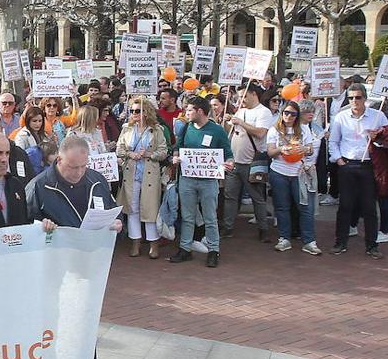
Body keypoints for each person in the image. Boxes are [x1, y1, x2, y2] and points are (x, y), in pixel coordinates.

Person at [25, 135, 124, 359]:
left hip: (89, 265)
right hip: (54, 269)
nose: (78, 173)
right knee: (52, 325)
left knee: (86, 320)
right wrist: (40, 226)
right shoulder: (40, 186)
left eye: (83, 167)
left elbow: (113, 211)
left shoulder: (96, 180)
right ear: (59, 159)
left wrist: (116, 223)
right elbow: (24, 226)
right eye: (72, 167)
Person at [169, 96, 234, 267]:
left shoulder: (217, 130)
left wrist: (229, 163)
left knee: (210, 217)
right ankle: (185, 248)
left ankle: (214, 250)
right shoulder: (185, 128)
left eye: (189, 110)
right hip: (187, 179)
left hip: (208, 181)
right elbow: (177, 147)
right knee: (188, 216)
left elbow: (228, 153)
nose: (186, 113)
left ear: (199, 111)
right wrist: (175, 157)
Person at [327, 83, 388, 258]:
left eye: (358, 97)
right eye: (351, 97)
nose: (354, 101)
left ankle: (372, 245)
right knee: (345, 206)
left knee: (369, 207)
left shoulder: (378, 116)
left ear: (365, 98)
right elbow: (333, 141)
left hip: (369, 166)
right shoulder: (341, 117)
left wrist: (377, 138)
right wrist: (339, 160)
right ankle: (340, 242)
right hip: (347, 164)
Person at [116, 97, 169, 258]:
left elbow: (163, 151)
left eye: (137, 111)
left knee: (150, 207)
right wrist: (130, 154)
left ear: (146, 112)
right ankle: (135, 242)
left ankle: (153, 243)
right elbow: (119, 148)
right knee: (132, 209)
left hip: (149, 174)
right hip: (131, 173)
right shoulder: (126, 129)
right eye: (132, 111)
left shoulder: (156, 130)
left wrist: (149, 154)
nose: (134, 114)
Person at [266, 101, 320, 255]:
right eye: (286, 113)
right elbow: (270, 153)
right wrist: (281, 149)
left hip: (299, 173)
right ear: (282, 114)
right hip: (279, 172)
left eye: (293, 114)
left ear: (298, 116)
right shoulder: (274, 130)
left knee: (305, 207)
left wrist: (304, 149)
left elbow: (310, 150)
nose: (289, 116)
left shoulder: (304, 129)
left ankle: (309, 241)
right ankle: (284, 238)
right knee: (282, 207)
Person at [222, 83, 274, 242]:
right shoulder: (241, 111)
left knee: (257, 197)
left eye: (243, 96)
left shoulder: (264, 112)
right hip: (234, 162)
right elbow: (228, 132)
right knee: (230, 196)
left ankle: (263, 229)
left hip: (253, 162)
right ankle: (228, 227)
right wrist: (226, 121)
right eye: (239, 97)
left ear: (253, 94)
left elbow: (260, 133)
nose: (241, 100)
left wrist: (240, 122)